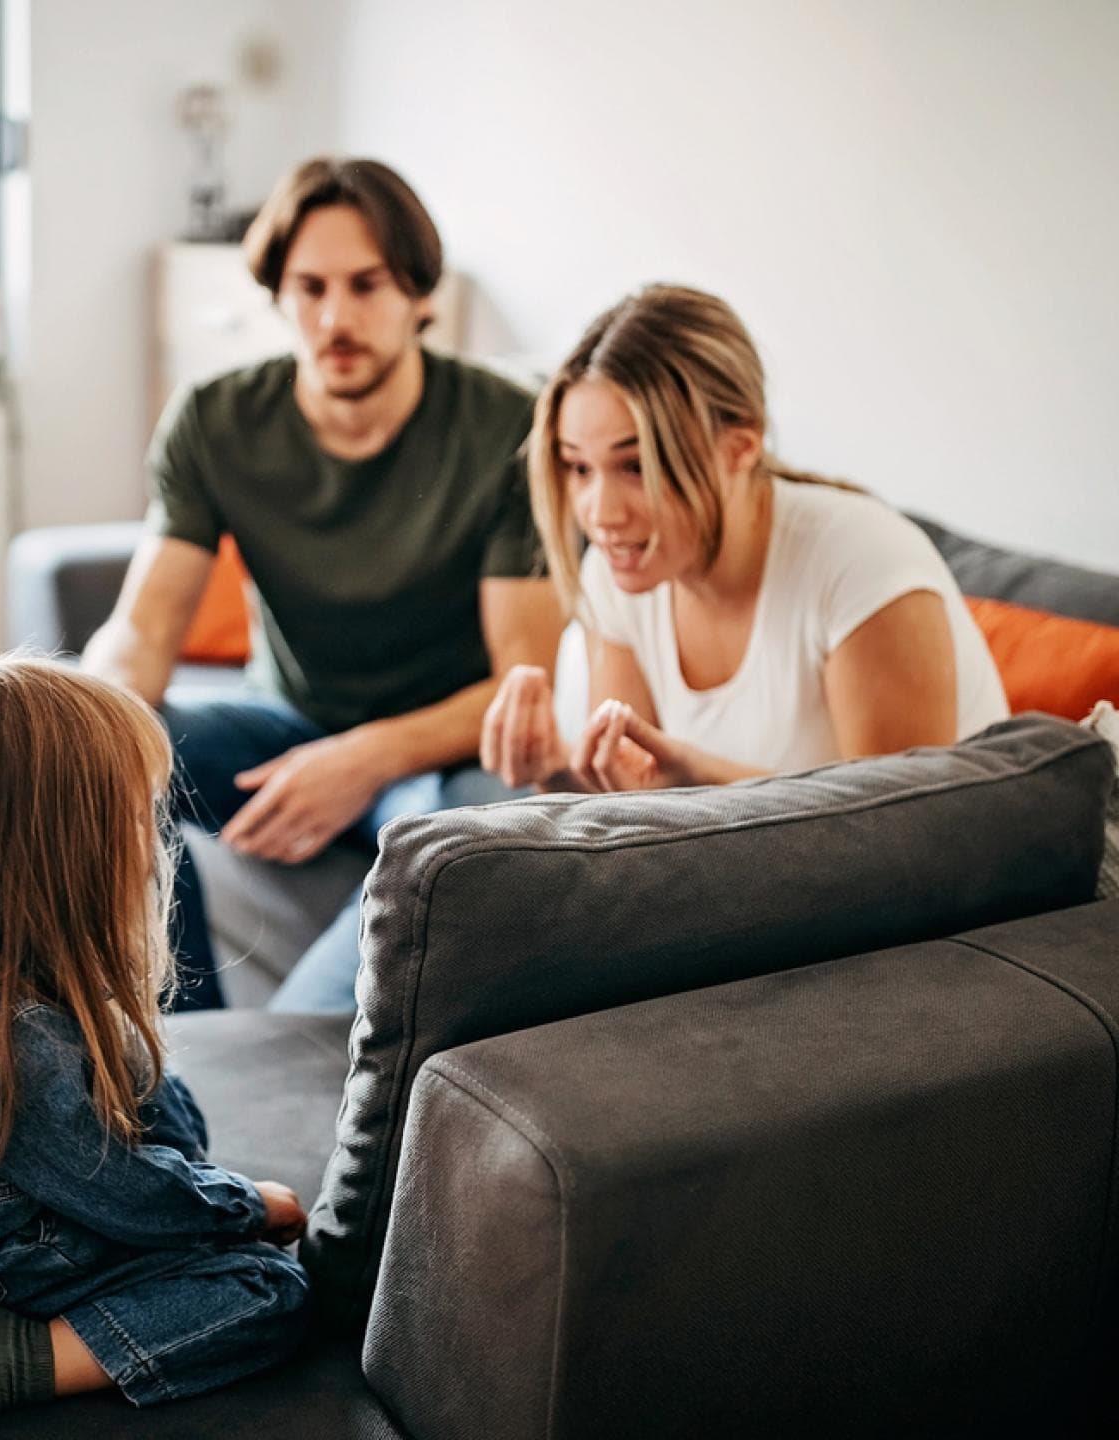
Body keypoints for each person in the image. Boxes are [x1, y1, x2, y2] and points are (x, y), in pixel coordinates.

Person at [84, 156, 564, 1014]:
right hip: (283, 724)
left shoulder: (507, 427)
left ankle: (306, 1044)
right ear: (279, 295)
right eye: (310, 288)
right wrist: (89, 727)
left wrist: (364, 757)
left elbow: (522, 685)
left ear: (421, 293)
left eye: (366, 285)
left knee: (479, 826)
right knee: (120, 747)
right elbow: (144, 633)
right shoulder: (216, 419)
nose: (336, 317)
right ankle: (186, 1052)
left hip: (443, 753)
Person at [0, 657, 310, 1439]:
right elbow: (127, 1192)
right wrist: (239, 1206)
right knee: (270, 1291)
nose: (154, 838)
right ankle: (17, 1357)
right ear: (62, 855)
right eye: (139, 815)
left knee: (152, 1091)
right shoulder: (19, 1046)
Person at [482, 284, 1007, 793]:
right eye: (578, 468)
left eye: (637, 466)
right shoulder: (616, 575)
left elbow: (899, 831)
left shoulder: (863, 560)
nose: (601, 513)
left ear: (740, 447)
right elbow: (629, 807)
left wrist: (703, 785)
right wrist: (553, 774)